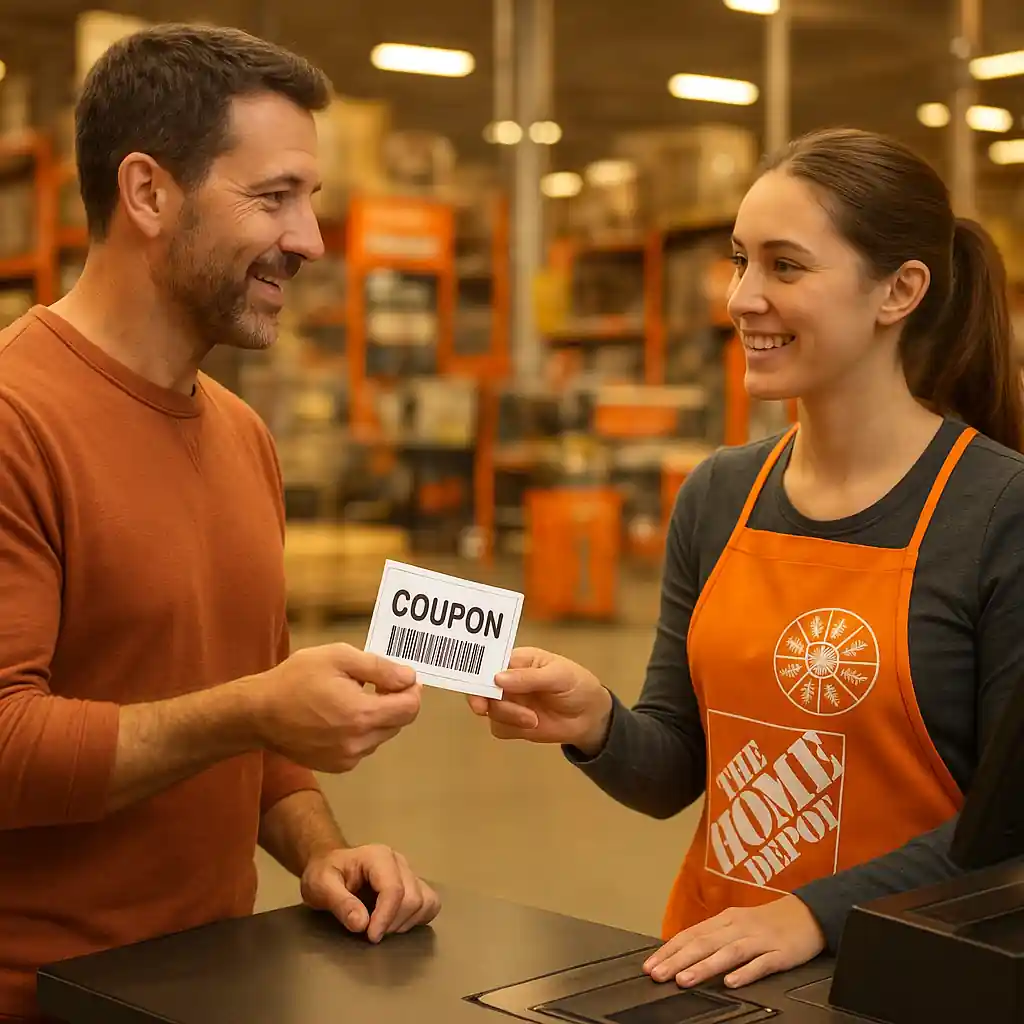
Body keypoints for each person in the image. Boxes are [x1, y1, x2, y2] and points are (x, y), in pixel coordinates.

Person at [470, 128, 1024, 991]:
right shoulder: (720, 494)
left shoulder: (998, 511)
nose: (740, 297)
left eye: (785, 267)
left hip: (905, 983)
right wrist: (596, 724)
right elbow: (676, 770)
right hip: (716, 972)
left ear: (899, 290)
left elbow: (1006, 834)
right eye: (739, 260)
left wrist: (813, 913)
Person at [0, 24, 439, 1022]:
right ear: (149, 192)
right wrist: (252, 710)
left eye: (310, 200)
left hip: (217, 982)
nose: (309, 240)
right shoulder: (15, 420)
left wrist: (322, 851)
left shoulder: (243, 436)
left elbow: (252, 727)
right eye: (272, 196)